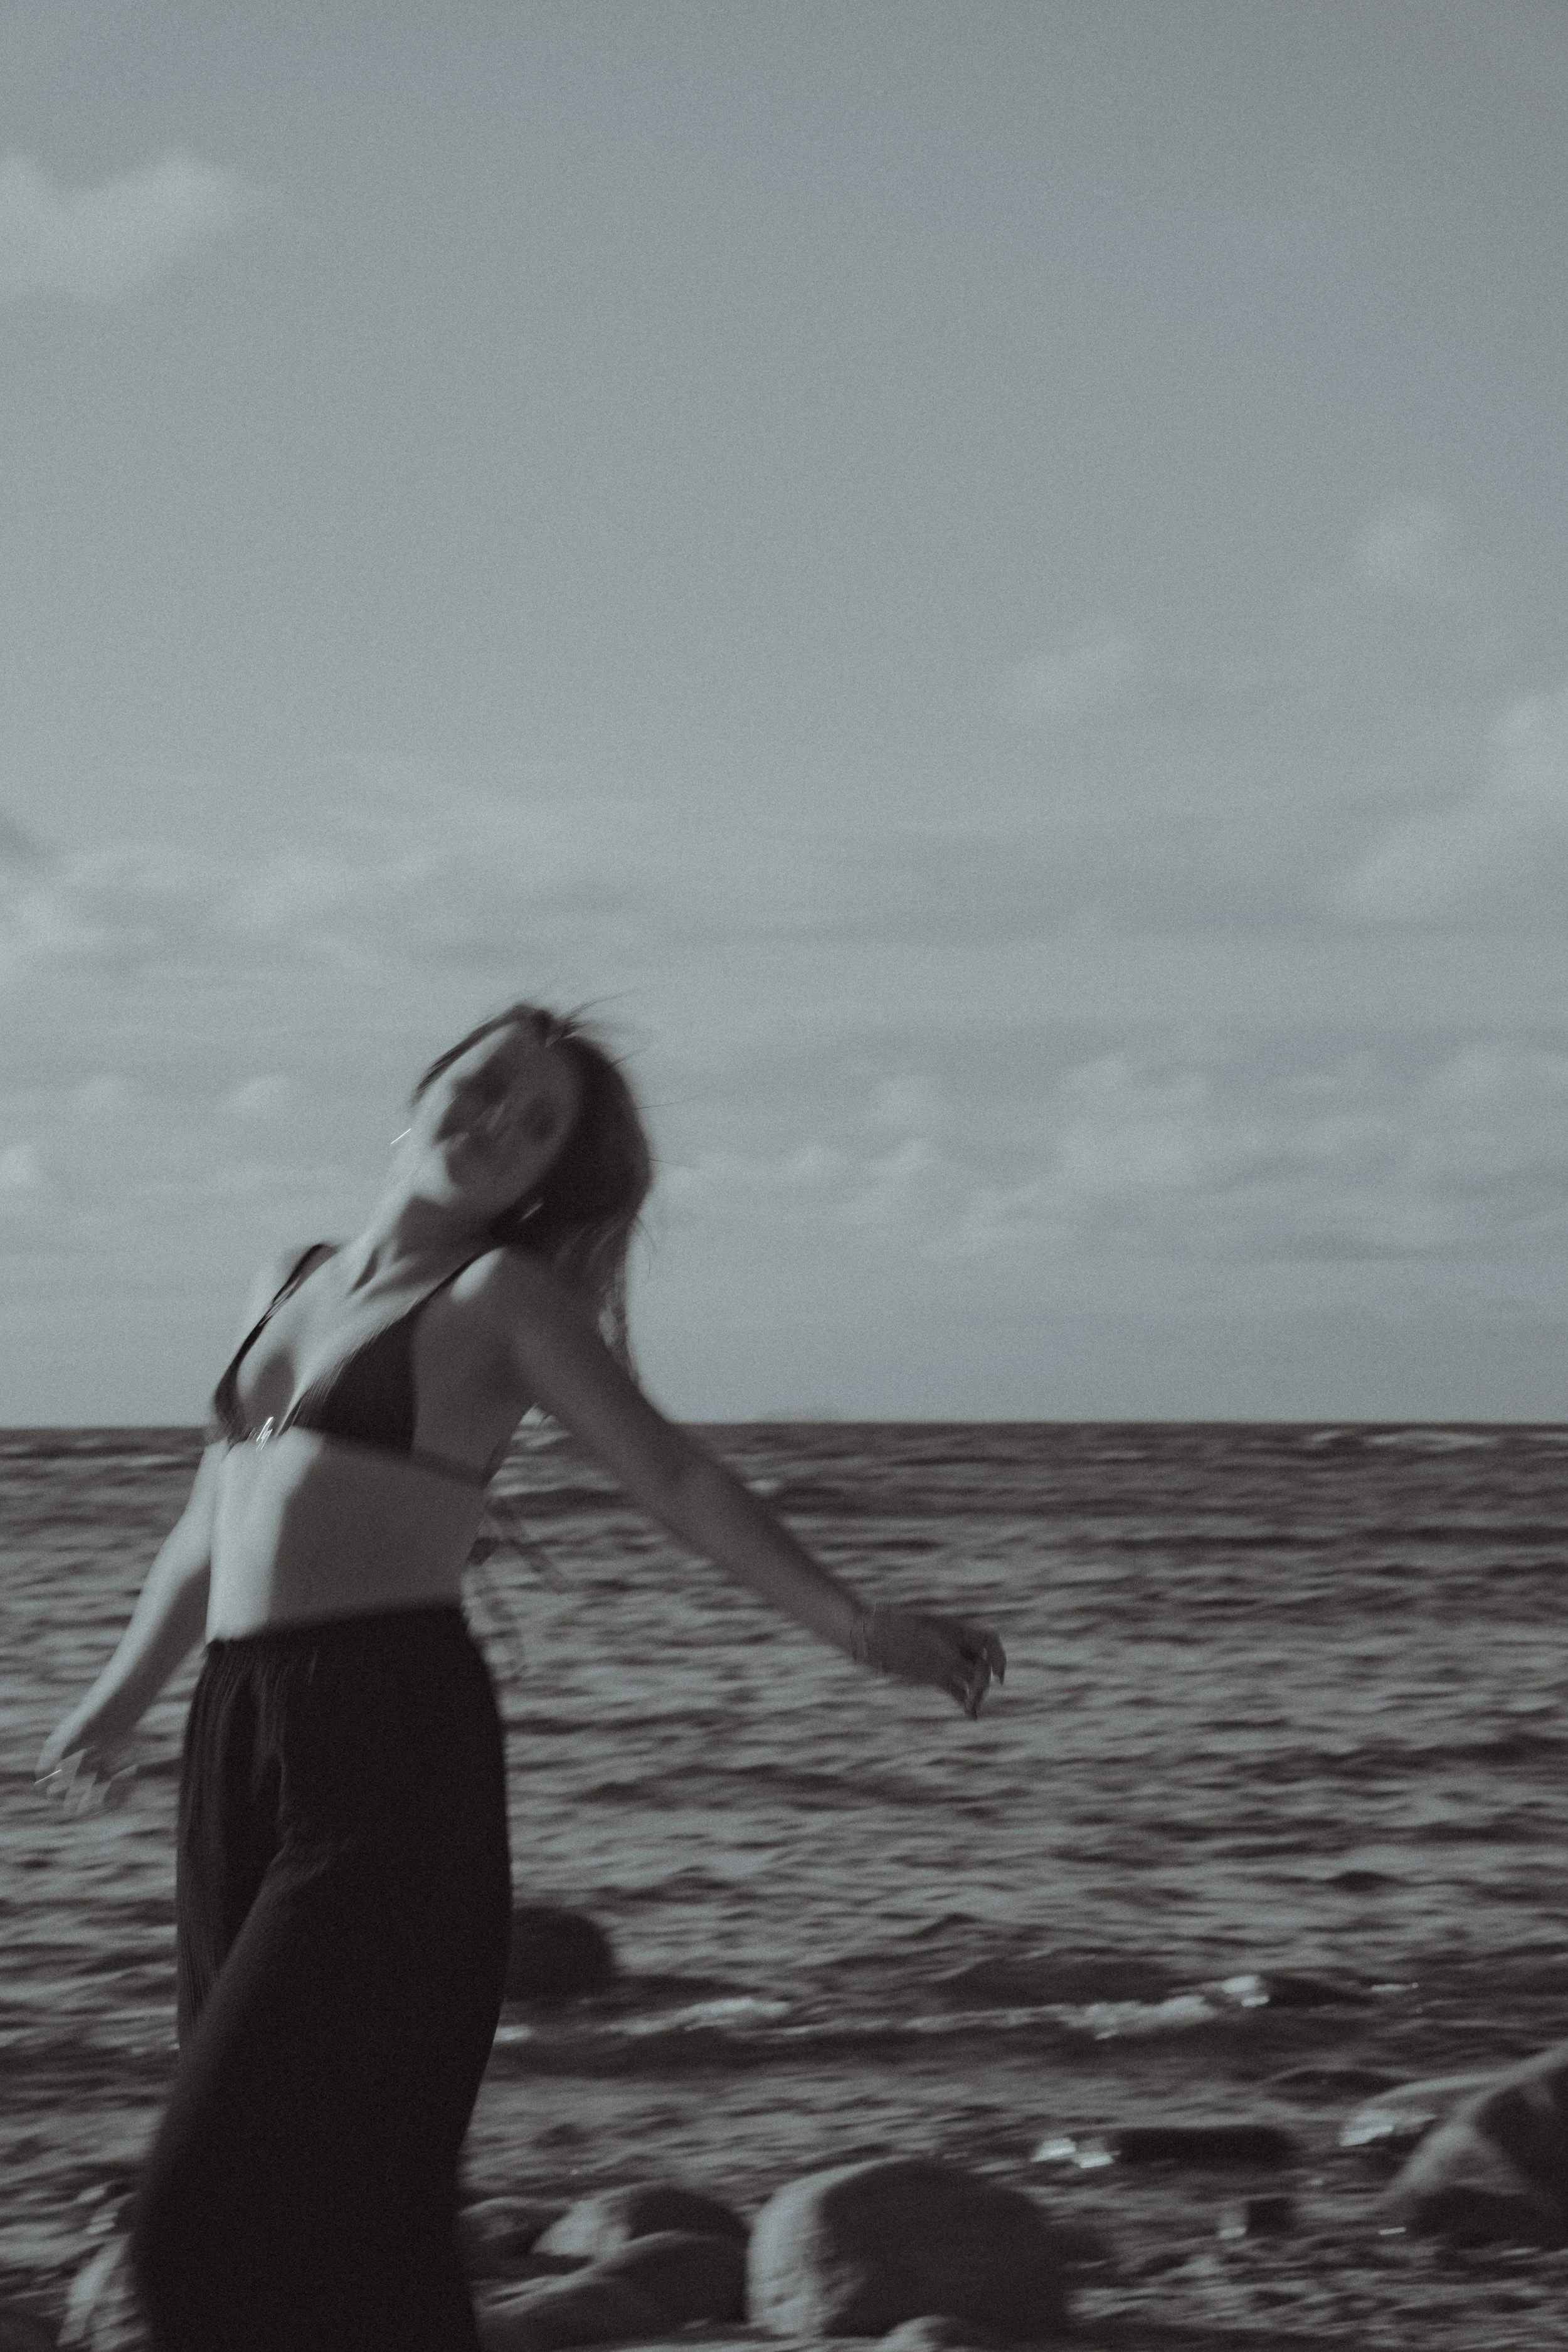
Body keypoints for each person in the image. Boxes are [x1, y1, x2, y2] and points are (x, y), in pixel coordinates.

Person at [35, 1002, 1007, 2352]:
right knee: (360, 2214)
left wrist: (849, 1626)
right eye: (486, 1086)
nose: (497, 1123)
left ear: (549, 1179)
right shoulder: (287, 1273)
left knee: (195, 2220)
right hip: (235, 1732)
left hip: (387, 1742)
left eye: (535, 1122)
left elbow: (672, 1475)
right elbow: (214, 1517)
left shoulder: (502, 1300)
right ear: (422, 1087)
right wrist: (124, 1691)